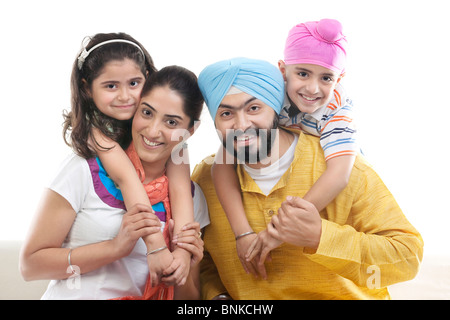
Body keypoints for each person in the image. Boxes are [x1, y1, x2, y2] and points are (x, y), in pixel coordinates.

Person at [193, 57, 423, 299]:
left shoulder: (343, 168)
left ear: (274, 107)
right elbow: (204, 260)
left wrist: (320, 237)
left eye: (254, 108)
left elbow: (408, 258)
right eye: (226, 113)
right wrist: (217, 295)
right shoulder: (204, 179)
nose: (241, 125)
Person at [19, 65, 208, 300]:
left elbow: (187, 301)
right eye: (147, 113)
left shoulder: (191, 201)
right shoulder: (84, 170)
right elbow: (30, 266)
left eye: (171, 123)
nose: (153, 130)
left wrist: (186, 267)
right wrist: (115, 248)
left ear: (190, 130)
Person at [210, 19, 359, 274]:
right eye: (302, 73)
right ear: (283, 70)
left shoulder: (337, 111)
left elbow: (339, 174)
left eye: (326, 78)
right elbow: (222, 163)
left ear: (340, 78)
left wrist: (279, 230)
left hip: (329, 179)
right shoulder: (270, 97)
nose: (312, 88)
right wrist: (242, 232)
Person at [62, 33, 195, 284]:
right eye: (111, 86)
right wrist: (156, 246)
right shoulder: (97, 132)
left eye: (134, 83)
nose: (125, 96)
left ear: (148, 76)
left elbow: (181, 191)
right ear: (87, 89)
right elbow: (126, 179)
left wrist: (184, 251)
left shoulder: (167, 130)